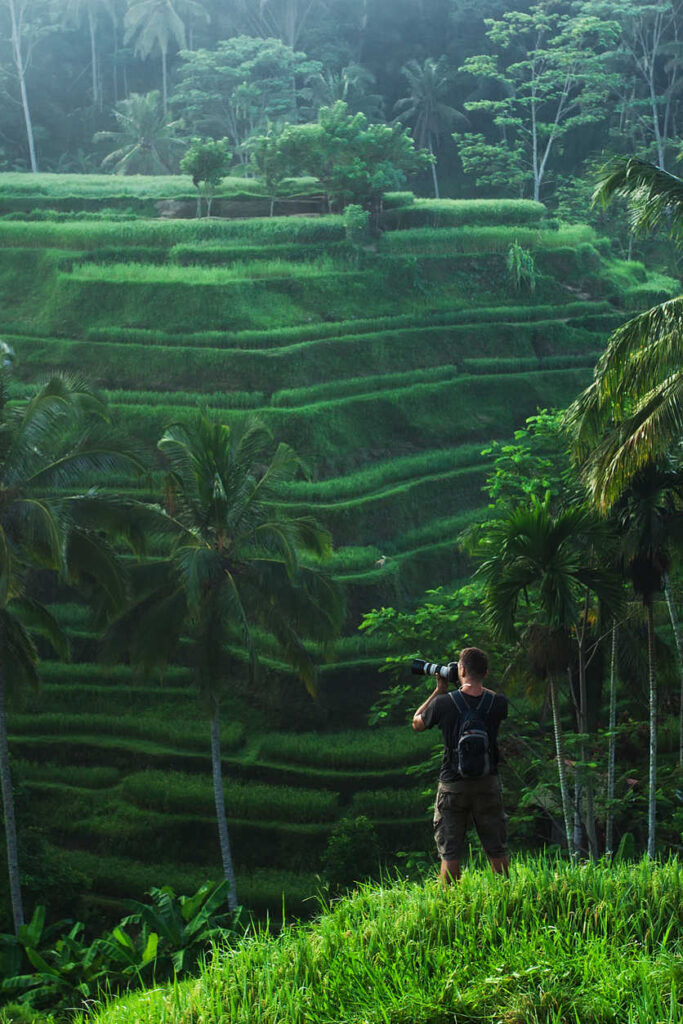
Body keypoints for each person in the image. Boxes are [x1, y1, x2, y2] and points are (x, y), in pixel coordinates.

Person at [412, 646, 509, 884]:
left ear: (461, 669)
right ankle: (507, 896)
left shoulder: (444, 703)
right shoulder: (497, 703)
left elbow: (417, 723)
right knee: (496, 848)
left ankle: (450, 906)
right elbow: (492, 697)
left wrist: (439, 690)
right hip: (487, 781)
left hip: (453, 784)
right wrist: (474, 684)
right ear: (485, 673)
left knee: (450, 850)